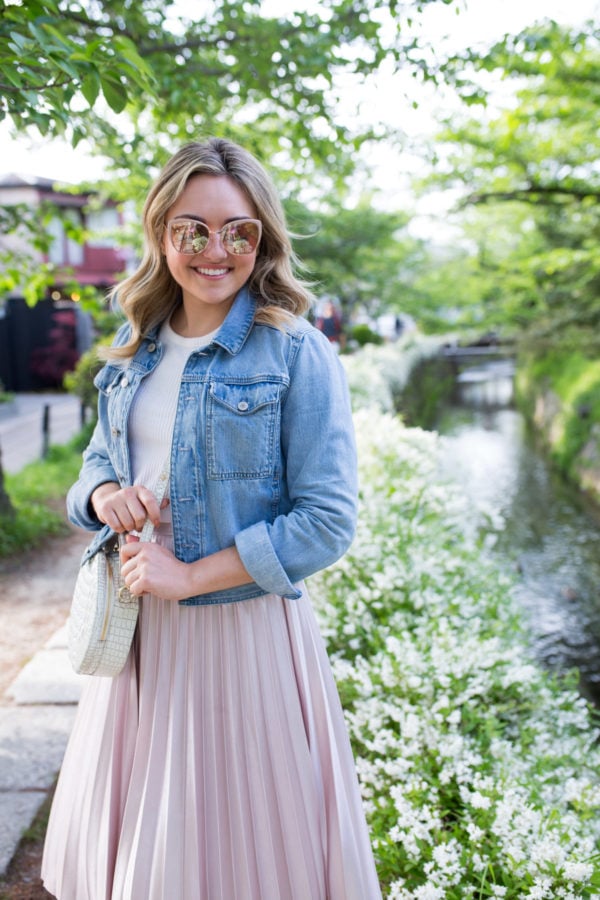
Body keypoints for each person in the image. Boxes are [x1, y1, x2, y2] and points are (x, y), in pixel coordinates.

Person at [41, 137, 382, 900]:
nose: (215, 249)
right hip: (142, 640)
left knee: (242, 859)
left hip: (241, 634)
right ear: (163, 234)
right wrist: (104, 498)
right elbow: (95, 466)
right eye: (192, 228)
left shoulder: (295, 351)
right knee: (153, 862)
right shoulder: (134, 350)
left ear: (262, 238)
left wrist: (190, 575)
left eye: (238, 230)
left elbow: (327, 520)